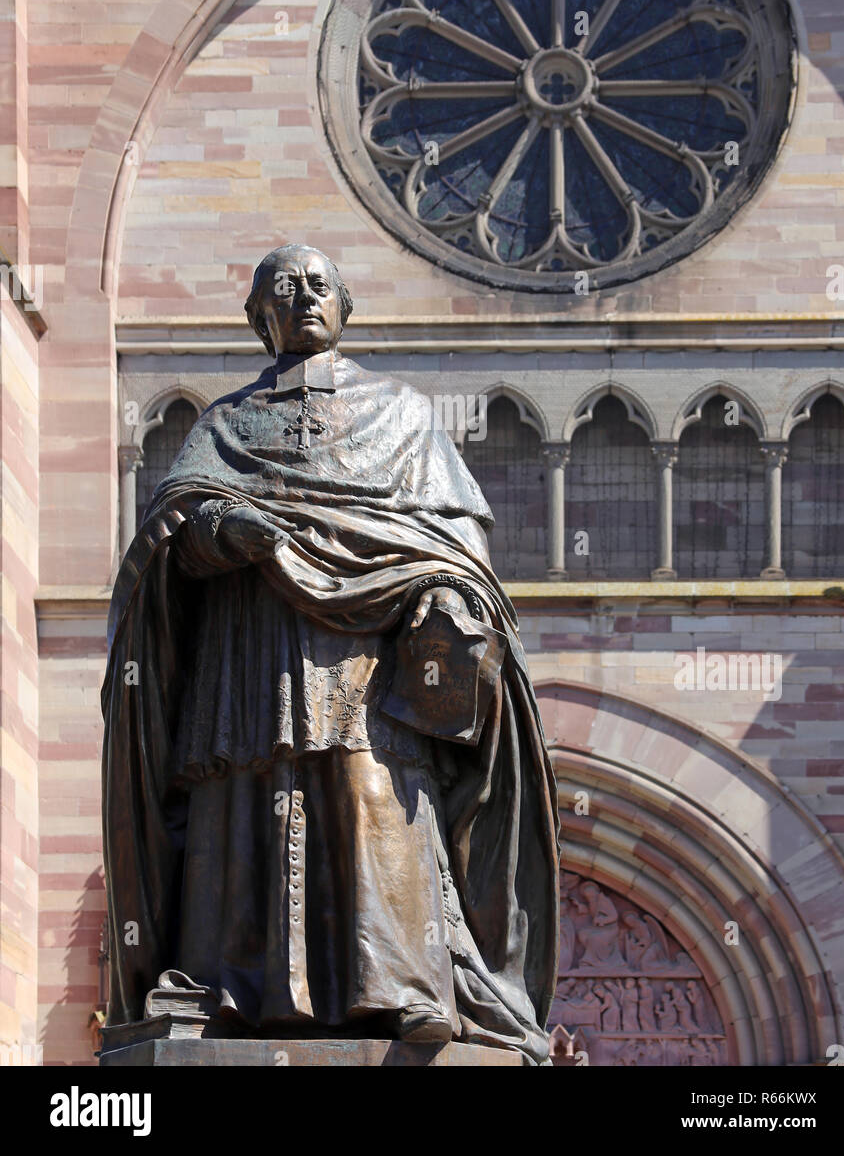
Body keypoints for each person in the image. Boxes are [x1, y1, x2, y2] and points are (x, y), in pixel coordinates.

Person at [101, 244, 559, 1064]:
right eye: (283, 289)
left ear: (345, 307)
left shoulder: (402, 416)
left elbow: (454, 543)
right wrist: (220, 532)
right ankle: (233, 988)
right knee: (246, 808)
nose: (303, 298)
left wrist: (445, 596)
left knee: (372, 799)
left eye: (319, 286)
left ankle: (404, 987)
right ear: (258, 317)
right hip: (249, 659)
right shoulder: (224, 426)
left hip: (366, 667)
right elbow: (170, 539)